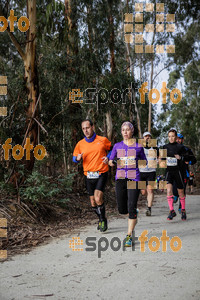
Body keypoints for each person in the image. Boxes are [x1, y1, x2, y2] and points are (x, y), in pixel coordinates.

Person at [109, 121, 147, 247]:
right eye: (123, 129)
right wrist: (113, 161)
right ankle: (133, 212)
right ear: (121, 132)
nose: (125, 132)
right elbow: (110, 162)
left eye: (128, 129)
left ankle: (129, 235)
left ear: (132, 131)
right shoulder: (117, 146)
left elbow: (144, 162)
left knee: (131, 208)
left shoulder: (138, 146)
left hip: (134, 178)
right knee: (122, 209)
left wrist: (134, 162)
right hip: (120, 178)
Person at [73, 119, 111, 232]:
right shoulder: (80, 144)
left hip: (101, 173)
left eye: (88, 128)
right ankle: (101, 219)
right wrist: (77, 159)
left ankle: (103, 220)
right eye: (83, 129)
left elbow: (112, 149)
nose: (86, 130)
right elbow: (74, 158)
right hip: (88, 175)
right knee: (93, 202)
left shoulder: (102, 140)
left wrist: (108, 157)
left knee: (98, 198)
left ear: (92, 127)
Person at [161, 129, 188, 220]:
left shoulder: (180, 147)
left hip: (178, 172)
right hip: (169, 171)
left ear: (176, 137)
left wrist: (180, 157)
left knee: (181, 192)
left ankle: (183, 210)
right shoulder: (165, 147)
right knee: (168, 191)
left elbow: (186, 158)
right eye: (169, 136)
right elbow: (162, 160)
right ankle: (171, 211)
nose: (171, 138)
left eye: (173, 136)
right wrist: (160, 160)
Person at [173, 133, 196, 212]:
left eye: (180, 139)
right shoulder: (171, 148)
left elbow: (194, 160)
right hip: (174, 172)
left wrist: (188, 162)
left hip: (184, 173)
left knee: (182, 190)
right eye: (177, 138)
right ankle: (175, 195)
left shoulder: (187, 150)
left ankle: (181, 206)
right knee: (175, 188)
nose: (178, 140)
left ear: (182, 140)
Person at [139, 132, 158, 216]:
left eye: (149, 136)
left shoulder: (155, 148)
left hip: (151, 171)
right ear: (143, 138)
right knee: (143, 192)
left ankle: (149, 208)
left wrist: (159, 160)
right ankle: (148, 198)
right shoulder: (139, 147)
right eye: (146, 136)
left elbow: (160, 157)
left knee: (150, 190)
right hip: (141, 172)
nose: (147, 138)